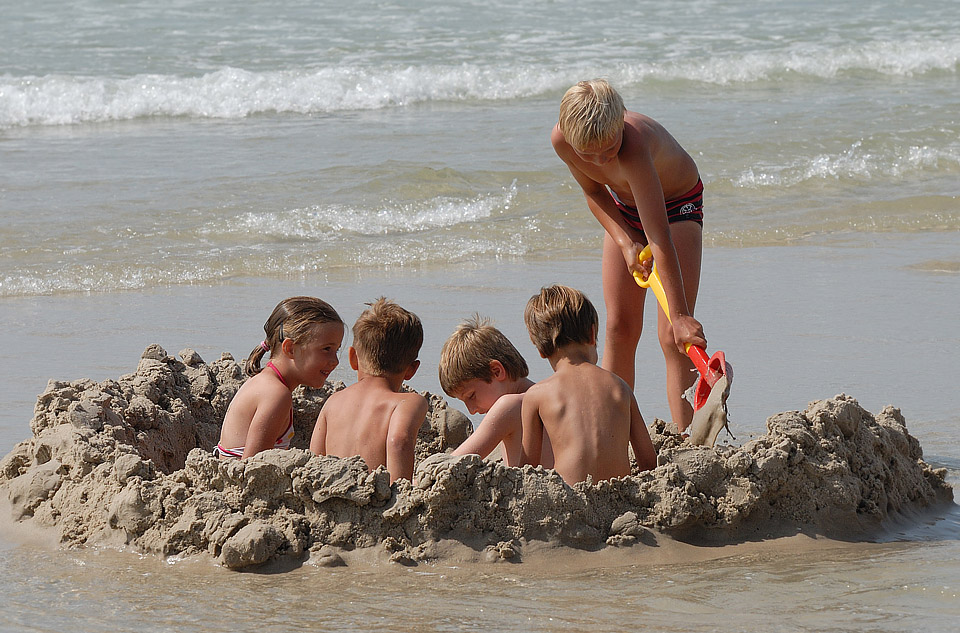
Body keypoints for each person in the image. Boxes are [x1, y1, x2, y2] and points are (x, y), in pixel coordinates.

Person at [551, 78, 708, 433]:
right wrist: (625, 242)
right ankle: (611, 432)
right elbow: (593, 191)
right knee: (619, 326)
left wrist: (681, 314)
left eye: (609, 150)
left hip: (675, 207)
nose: (602, 161)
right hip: (626, 208)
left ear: (621, 120)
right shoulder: (562, 141)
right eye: (589, 155)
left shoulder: (634, 146)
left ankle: (688, 439)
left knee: (672, 335)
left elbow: (659, 235)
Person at [520, 285, 656, 485]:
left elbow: (526, 470)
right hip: (619, 500)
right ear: (592, 334)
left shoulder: (536, 396)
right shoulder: (619, 387)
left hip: (571, 500)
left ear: (541, 349)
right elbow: (648, 461)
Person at [310, 298, 428, 483]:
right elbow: (399, 442)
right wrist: (400, 494)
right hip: (375, 501)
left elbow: (314, 458)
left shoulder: (334, 401)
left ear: (352, 358)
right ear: (412, 369)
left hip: (330, 499)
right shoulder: (408, 402)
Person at [215, 296, 344, 459]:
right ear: (290, 348)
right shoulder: (276, 395)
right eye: (326, 349)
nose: (335, 361)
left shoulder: (266, 381)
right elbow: (251, 469)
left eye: (337, 350)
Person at [438, 315, 538, 467]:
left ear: (497, 371)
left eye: (471, 396)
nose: (471, 410)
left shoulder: (509, 406)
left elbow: (453, 463)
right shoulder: (546, 395)